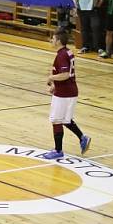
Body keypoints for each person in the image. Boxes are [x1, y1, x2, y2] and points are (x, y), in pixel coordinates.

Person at [43, 28, 91, 159]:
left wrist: (51, 78)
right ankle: (82, 137)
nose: (51, 41)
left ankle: (58, 150)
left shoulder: (62, 55)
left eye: (53, 39)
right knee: (64, 119)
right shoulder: (67, 52)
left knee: (56, 120)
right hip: (69, 91)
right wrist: (54, 85)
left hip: (64, 93)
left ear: (58, 41)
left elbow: (65, 74)